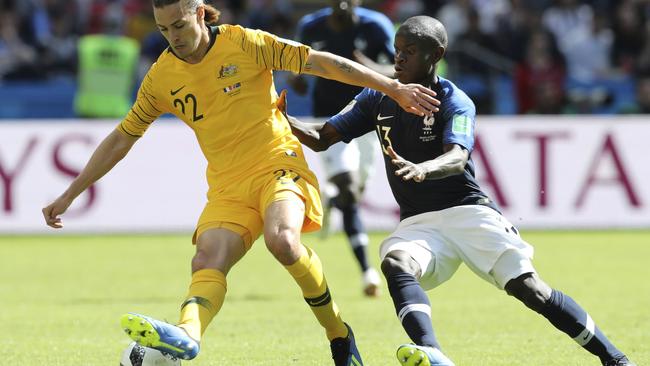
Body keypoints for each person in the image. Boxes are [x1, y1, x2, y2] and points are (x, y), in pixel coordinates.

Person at [41, 1, 440, 365]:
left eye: (179, 25)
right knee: (206, 260)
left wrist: (392, 87)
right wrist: (70, 193)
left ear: (199, 12)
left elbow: (319, 63)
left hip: (278, 163)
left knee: (282, 241)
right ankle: (187, 336)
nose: (173, 37)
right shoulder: (162, 76)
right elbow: (122, 137)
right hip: (228, 184)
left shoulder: (246, 43)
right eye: (164, 30)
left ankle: (339, 334)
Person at [278, 15, 635, 366]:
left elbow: (457, 156)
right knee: (395, 262)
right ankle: (433, 353)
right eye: (397, 49)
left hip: (469, 211)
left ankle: (614, 358)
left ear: (435, 55)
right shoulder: (377, 98)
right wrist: (280, 119)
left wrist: (423, 169)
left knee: (531, 290)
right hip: (420, 223)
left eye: (410, 51)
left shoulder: (454, 100)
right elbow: (323, 138)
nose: (398, 58)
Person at [288, 0, 396, 297]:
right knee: (350, 191)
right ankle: (366, 270)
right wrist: (296, 79)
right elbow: (295, 64)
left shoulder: (376, 27)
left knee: (356, 191)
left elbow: (398, 69)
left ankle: (331, 201)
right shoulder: (311, 26)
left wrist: (370, 68)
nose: (343, 4)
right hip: (330, 118)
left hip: (367, 118)